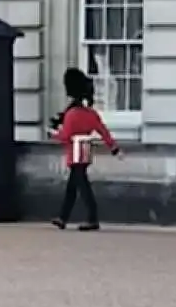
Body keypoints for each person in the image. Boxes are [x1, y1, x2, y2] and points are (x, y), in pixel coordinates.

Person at [46, 68, 121, 231]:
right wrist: (114, 148)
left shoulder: (72, 114)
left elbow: (65, 136)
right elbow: (103, 131)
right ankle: (62, 217)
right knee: (72, 187)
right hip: (85, 152)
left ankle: (92, 218)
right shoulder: (90, 113)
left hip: (75, 152)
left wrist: (53, 134)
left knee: (83, 187)